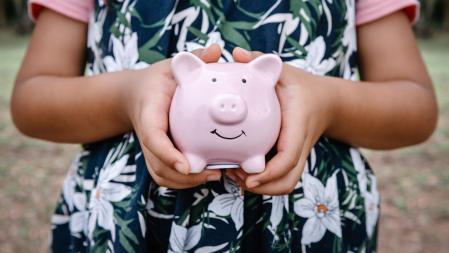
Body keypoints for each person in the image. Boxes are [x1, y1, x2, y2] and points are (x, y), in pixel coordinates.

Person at [11, 0, 437, 252]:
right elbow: (32, 101)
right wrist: (127, 95)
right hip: (126, 226)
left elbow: (414, 108)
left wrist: (328, 101)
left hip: (312, 226)